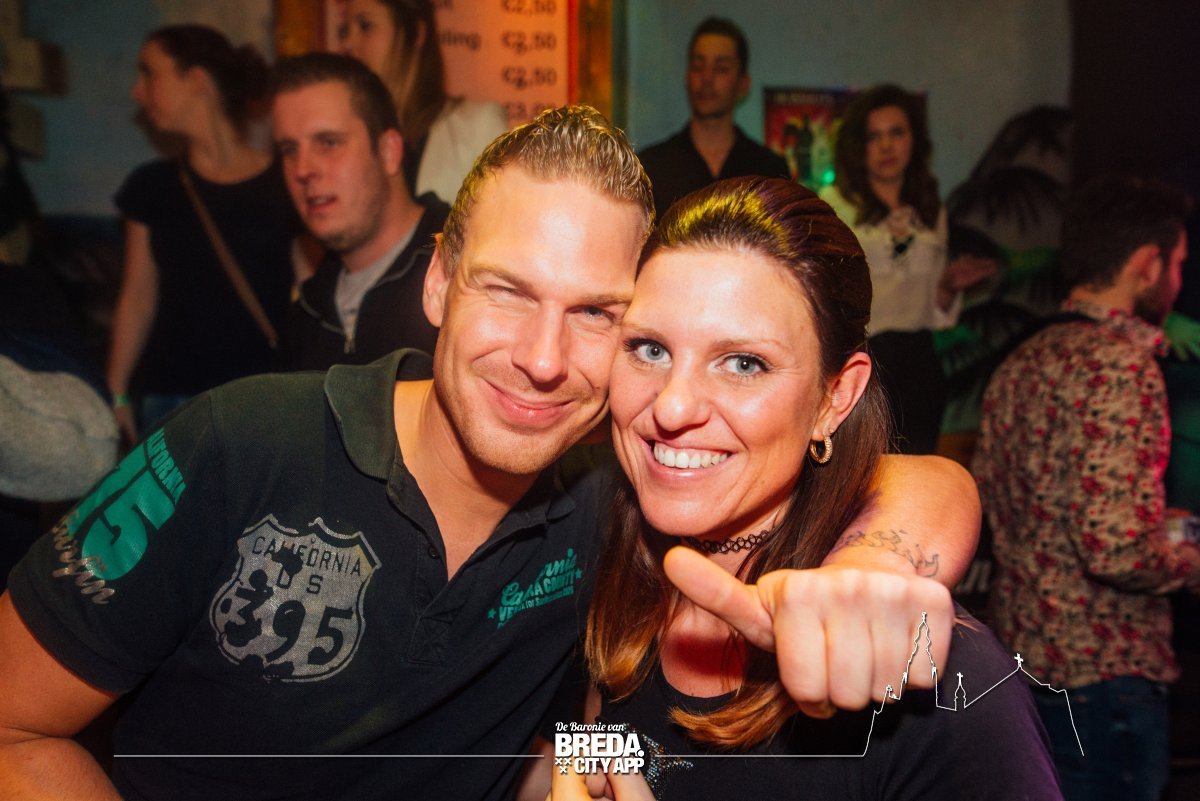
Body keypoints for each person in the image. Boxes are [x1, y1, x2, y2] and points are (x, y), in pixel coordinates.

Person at [0, 106, 976, 801]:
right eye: (507, 291)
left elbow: (912, 478)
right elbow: (12, 724)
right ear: (438, 282)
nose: (543, 359)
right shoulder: (239, 444)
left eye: (596, 313)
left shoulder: (613, 496)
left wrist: (876, 565)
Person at [548, 178, 1059, 800]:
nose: (672, 407)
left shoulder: (935, 678)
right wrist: (579, 768)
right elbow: (595, 737)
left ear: (834, 398)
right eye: (650, 349)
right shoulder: (600, 552)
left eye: (743, 363)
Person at [973, 175, 1200, 801]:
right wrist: (1190, 561)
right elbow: (1114, 548)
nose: (1177, 280)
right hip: (1105, 676)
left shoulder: (1024, 359)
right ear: (1147, 264)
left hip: (1025, 667)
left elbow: (1003, 505)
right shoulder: (1120, 365)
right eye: (1177, 264)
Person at [107, 24, 303, 442]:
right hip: (171, 400)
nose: (138, 92)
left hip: (265, 398)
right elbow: (137, 297)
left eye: (150, 73)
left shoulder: (288, 180)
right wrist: (116, 393)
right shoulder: (152, 186)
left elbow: (309, 288)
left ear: (196, 80)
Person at [820, 85, 995, 453]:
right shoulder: (835, 204)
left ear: (914, 140)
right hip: (862, 360)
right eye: (874, 136)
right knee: (863, 474)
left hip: (919, 361)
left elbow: (934, 312)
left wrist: (949, 285)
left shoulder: (930, 208)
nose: (887, 146)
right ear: (858, 146)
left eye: (896, 133)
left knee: (917, 470)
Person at [277, 54, 448, 371]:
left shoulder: (463, 272)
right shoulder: (307, 313)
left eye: (328, 143)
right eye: (289, 150)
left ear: (388, 152)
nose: (302, 169)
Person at [339, 0, 508, 204]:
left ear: (416, 33)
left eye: (366, 26)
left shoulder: (476, 127)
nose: (348, 44)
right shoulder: (349, 138)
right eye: (344, 31)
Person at [637, 16, 789, 218]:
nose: (707, 78)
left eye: (721, 68)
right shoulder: (650, 168)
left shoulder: (769, 171)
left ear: (743, 83)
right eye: (698, 66)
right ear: (687, 77)